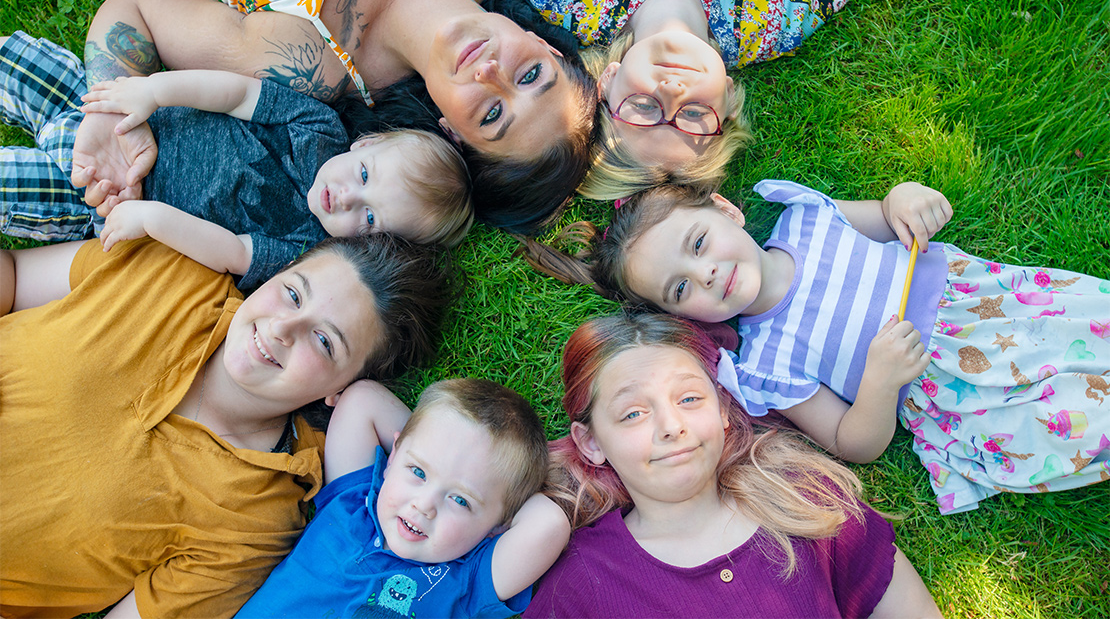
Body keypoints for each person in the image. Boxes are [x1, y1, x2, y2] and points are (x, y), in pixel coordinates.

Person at [519, 179, 1110, 514]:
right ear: (678, 316)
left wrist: (904, 197)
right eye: (680, 288)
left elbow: (886, 216)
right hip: (952, 386)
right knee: (1076, 421)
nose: (707, 275)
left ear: (725, 210)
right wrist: (880, 381)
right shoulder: (767, 364)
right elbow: (853, 443)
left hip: (991, 304)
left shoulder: (809, 222)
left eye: (699, 244)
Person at [0, 232, 454, 617]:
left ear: (339, 391)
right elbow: (15, 277)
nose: (282, 327)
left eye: (323, 341)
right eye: (294, 293)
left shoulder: (253, 519)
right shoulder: (169, 270)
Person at [27, 0, 598, 233]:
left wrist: (107, 105)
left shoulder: (312, 63)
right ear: (547, 47)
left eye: (493, 114)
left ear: (449, 131)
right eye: (532, 78)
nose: (494, 74)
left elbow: (132, 15)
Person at [526, 312, 938, 617]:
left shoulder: (804, 504)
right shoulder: (582, 583)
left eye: (689, 399)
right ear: (592, 443)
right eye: (633, 413)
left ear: (723, 409)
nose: (671, 426)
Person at [1, 32, 472, 290]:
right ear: (366, 145)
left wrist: (150, 217)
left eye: (369, 218)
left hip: (101, 195)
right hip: (117, 109)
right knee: (14, 62)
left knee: (10, 184)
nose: (348, 197)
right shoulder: (320, 127)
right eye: (365, 176)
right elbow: (237, 94)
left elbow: (231, 251)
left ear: (378, 245)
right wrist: (151, 91)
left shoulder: (309, 252)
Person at [514, 0, 953, 199]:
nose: (672, 91)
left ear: (607, 82)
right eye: (692, 116)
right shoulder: (769, 21)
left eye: (645, 107)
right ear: (724, 100)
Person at [236, 378, 571, 617]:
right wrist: (429, 437)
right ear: (393, 455)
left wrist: (503, 496)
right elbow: (362, 400)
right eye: (419, 472)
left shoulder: (467, 580)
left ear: (497, 526)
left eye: (460, 500)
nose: (424, 505)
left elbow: (550, 524)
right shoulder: (353, 504)